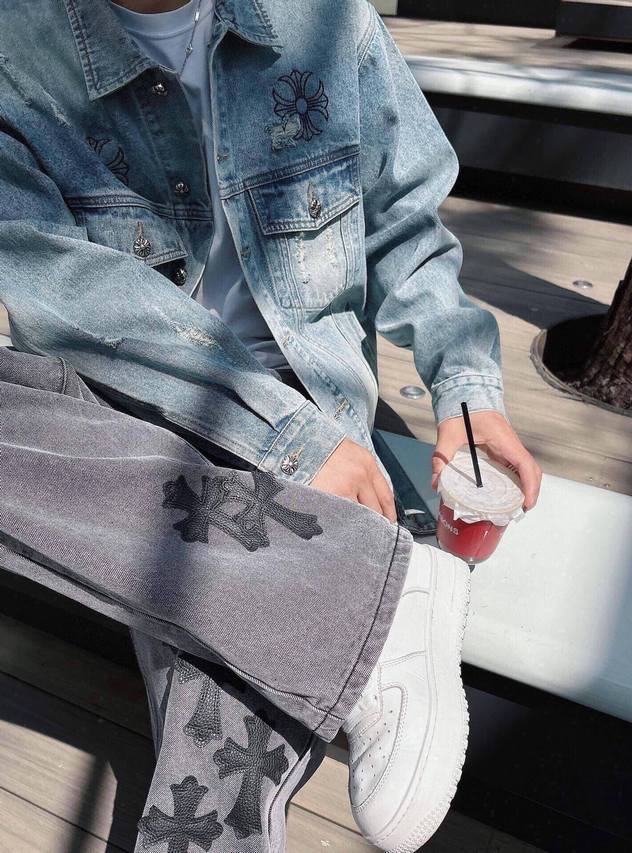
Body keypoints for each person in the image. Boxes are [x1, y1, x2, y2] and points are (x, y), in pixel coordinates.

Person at [0, 0, 541, 849]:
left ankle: (353, 583)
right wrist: (287, 439)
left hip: (304, 414)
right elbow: (72, 299)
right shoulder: (14, 51)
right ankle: (372, 589)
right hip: (131, 425)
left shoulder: (323, 17)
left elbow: (404, 215)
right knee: (226, 547)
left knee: (218, 693)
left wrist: (467, 387)